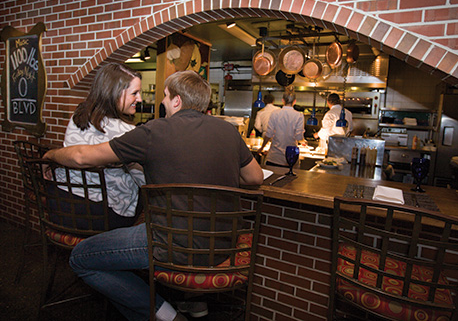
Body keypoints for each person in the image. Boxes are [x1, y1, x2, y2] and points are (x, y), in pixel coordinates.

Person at [43, 70, 263, 321]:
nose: (162, 102)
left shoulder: (153, 132)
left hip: (170, 245)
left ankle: (168, 316)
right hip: (223, 246)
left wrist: (50, 155)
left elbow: (81, 157)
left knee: (81, 258)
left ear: (177, 100)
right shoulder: (228, 131)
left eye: (166, 96)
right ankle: (177, 308)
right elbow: (255, 178)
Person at [56, 62, 146, 229]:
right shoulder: (127, 132)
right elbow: (144, 181)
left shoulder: (78, 116)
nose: (140, 99)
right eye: (135, 93)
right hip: (100, 215)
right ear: (115, 94)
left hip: (63, 206)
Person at [257, 89, 305, 167]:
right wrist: (303, 141)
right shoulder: (299, 115)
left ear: (283, 100)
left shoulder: (275, 113)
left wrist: (262, 147)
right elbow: (299, 136)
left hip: (275, 157)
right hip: (290, 158)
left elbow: (268, 134)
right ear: (294, 101)